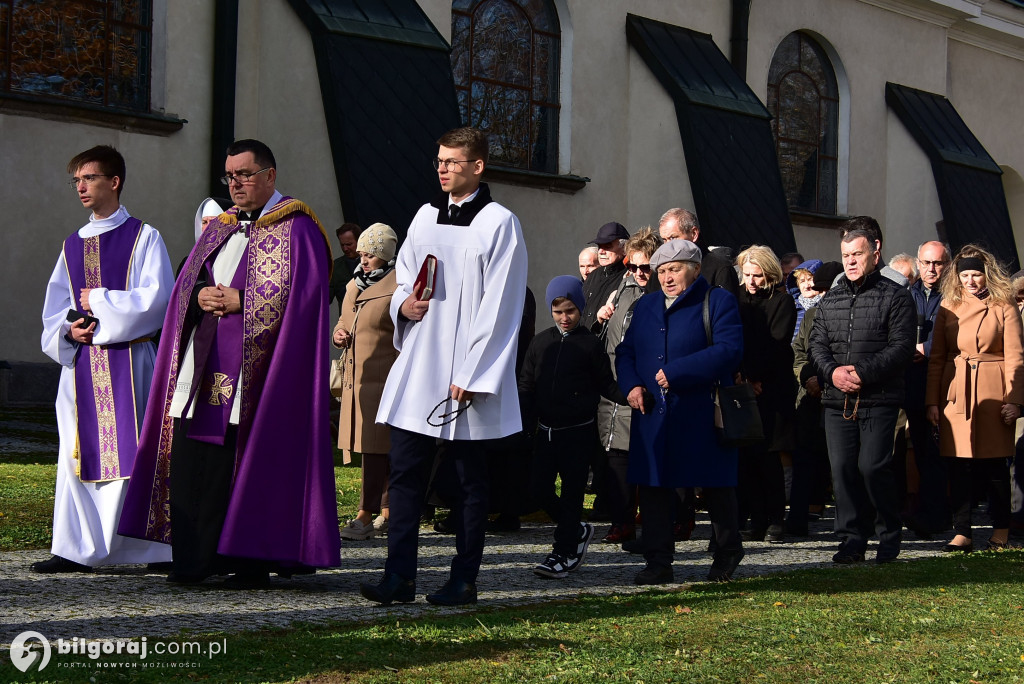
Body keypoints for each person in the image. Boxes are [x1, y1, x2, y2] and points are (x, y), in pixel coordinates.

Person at [119, 139, 340, 586]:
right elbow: (187, 283)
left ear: (270, 175)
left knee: (246, 464)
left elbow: (307, 298)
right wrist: (197, 294)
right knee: (195, 462)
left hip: (262, 376)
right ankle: (196, 560)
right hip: (202, 367)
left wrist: (246, 300)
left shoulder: (298, 227)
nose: (235, 183)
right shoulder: (221, 226)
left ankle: (250, 561)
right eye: (230, 176)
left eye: (244, 174)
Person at [360, 127, 528, 607]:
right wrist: (402, 307)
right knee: (406, 472)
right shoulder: (423, 216)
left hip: (465, 376)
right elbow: (405, 279)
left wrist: (474, 375)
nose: (442, 168)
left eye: (453, 161)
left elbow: (502, 304)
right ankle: (399, 577)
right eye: (439, 161)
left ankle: (464, 579)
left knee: (469, 482)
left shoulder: (500, 223)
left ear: (478, 166)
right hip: (422, 364)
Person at [35, 145, 174, 573]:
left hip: (130, 362)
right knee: (75, 456)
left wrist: (98, 299)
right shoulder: (71, 245)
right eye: (76, 179)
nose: (81, 186)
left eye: (89, 178)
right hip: (82, 367)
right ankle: (75, 549)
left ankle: (150, 549)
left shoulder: (144, 236)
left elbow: (157, 300)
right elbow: (55, 308)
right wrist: (66, 330)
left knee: (138, 454)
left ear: (114, 182)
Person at [616, 239, 745, 584]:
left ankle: (727, 550)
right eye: (662, 271)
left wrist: (678, 372)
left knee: (715, 485)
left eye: (674, 269)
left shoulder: (717, 301)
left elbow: (730, 349)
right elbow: (625, 351)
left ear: (695, 269)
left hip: (700, 410)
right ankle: (658, 561)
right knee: (655, 487)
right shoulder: (647, 306)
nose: (667, 278)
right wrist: (630, 386)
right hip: (654, 412)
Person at [809, 224, 916, 564]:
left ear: (875, 252)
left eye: (857, 254)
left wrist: (861, 373)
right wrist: (833, 372)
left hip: (879, 398)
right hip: (837, 400)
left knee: (873, 467)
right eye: (846, 256)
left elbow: (900, 347)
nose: (851, 262)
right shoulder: (832, 299)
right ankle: (852, 539)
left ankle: (888, 535)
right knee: (842, 470)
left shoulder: (895, 295)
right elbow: (817, 345)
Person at [520, 276, 626, 578]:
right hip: (546, 432)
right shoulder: (540, 342)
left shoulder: (590, 345)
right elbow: (526, 383)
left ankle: (564, 551)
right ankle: (576, 529)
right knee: (538, 490)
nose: (564, 318)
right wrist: (523, 417)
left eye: (570, 311)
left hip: (578, 434)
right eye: (558, 312)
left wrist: (633, 396)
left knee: (572, 495)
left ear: (580, 308)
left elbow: (607, 384)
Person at [926, 245, 1024, 552]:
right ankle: (962, 531)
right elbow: (937, 357)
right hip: (956, 391)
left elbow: (1016, 357)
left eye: (976, 275)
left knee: (995, 465)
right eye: (965, 275)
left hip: (994, 392)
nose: (970, 281)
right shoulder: (948, 305)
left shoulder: (1004, 304)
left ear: (987, 275)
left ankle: (1001, 530)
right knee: (958, 466)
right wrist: (932, 401)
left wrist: (1014, 400)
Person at [333, 223, 400, 541]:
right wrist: (338, 333)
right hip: (355, 377)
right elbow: (345, 320)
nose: (363, 261)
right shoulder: (354, 284)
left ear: (384, 255)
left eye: (369, 255)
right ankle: (388, 513)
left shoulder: (400, 285)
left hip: (384, 378)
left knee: (375, 448)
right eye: (361, 254)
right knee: (373, 448)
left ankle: (365, 514)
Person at [595, 227, 662, 544]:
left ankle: (662, 522)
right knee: (617, 457)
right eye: (632, 266)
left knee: (649, 460)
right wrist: (603, 315)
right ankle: (622, 521)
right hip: (615, 387)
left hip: (649, 389)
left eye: (644, 267)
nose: (638, 273)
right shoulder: (622, 288)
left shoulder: (663, 294)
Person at [734, 246, 797, 544]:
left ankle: (776, 520)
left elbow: (777, 343)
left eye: (757, 275)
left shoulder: (781, 301)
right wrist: (744, 376)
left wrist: (755, 377)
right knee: (748, 457)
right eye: (747, 274)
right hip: (744, 385)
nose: (752, 281)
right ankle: (756, 518)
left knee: (770, 457)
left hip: (772, 389)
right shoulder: (737, 298)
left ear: (769, 274)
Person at [788, 261, 843, 536]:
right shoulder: (811, 316)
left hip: (837, 395)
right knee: (804, 458)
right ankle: (797, 519)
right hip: (809, 397)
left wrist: (825, 381)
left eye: (825, 288)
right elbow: (799, 352)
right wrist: (807, 379)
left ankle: (846, 523)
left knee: (840, 462)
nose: (820, 294)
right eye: (818, 289)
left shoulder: (847, 313)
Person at [903, 241, 952, 537]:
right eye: (926, 263)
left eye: (937, 263)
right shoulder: (908, 295)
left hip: (946, 381)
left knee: (941, 452)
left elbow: (959, 333)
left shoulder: (956, 294)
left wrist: (927, 348)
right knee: (921, 449)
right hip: (914, 381)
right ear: (918, 263)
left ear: (947, 264)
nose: (931, 269)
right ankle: (928, 511)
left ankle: (940, 513)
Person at [658, 208, 739, 297]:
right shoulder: (658, 274)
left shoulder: (720, 269)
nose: (668, 245)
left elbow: (727, 307)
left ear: (694, 233)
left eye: (672, 238)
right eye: (664, 240)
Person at [580, 222, 629, 331]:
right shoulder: (594, 275)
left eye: (607, 246)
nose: (601, 251)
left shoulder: (630, 277)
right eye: (599, 246)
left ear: (624, 248)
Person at [785, 259, 823, 343]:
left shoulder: (827, 306)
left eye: (810, 279)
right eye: (802, 281)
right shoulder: (792, 309)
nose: (806, 286)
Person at [330, 223, 362, 314]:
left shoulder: (372, 262)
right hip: (347, 322)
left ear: (359, 241)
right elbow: (326, 298)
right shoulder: (335, 267)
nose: (345, 249)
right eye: (342, 245)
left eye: (349, 244)